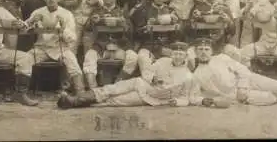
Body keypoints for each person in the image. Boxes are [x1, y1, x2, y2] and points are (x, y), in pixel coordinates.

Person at [57, 41, 193, 109]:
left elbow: (185, 97)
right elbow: (149, 72)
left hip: (152, 97)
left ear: (186, 56)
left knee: (116, 100)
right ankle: (74, 100)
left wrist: (178, 102)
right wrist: (153, 78)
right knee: (111, 89)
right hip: (142, 84)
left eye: (181, 54)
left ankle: (76, 102)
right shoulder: (163, 61)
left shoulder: (187, 75)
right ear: (171, 54)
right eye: (175, 53)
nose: (177, 56)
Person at [189, 38, 277, 107]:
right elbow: (195, 95)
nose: (203, 52)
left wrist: (242, 86)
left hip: (248, 80)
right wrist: (205, 101)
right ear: (195, 52)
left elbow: (243, 71)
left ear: (211, 51)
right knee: (270, 98)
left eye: (206, 49)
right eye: (200, 49)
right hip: (234, 95)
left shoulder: (222, 58)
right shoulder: (196, 74)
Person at [25, 0, 85, 94]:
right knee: (24, 60)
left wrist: (63, 28)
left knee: (72, 62)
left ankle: (81, 92)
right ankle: (23, 91)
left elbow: (72, 38)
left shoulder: (67, 14)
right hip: (41, 48)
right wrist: (31, 22)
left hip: (60, 48)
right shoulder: (37, 12)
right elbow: (23, 29)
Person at [82, 0, 138, 87]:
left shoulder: (122, 11)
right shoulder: (96, 11)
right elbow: (87, 29)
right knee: (89, 57)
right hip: (101, 47)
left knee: (133, 57)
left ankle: (118, 83)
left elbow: (131, 32)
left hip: (120, 46)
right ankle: (93, 88)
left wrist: (123, 23)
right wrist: (92, 21)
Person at [130, 0, 180, 79]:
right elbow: (136, 33)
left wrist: (176, 25)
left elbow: (177, 35)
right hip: (148, 46)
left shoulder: (171, 11)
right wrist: (146, 28)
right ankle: (149, 83)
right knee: (143, 58)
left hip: (166, 46)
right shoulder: (143, 10)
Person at [188, 0, 239, 68]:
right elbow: (187, 31)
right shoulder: (197, 8)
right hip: (202, 46)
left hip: (219, 45)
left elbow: (233, 31)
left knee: (235, 53)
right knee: (189, 56)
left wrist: (228, 21)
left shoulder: (225, 8)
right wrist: (193, 19)